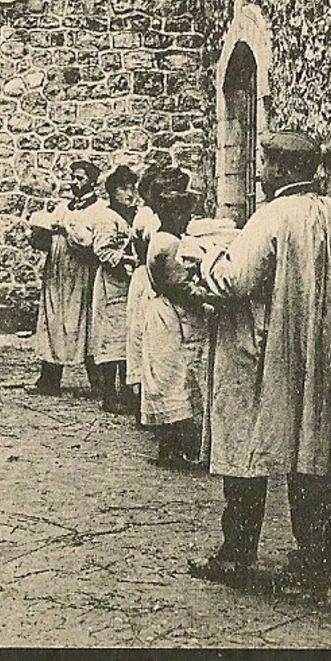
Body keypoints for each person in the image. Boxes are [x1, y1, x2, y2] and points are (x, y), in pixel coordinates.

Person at [190, 130, 331, 591]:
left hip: (260, 352)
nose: (260, 174)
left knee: (246, 447)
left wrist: (208, 261)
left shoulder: (272, 216)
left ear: (281, 170)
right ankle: (312, 558)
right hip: (313, 352)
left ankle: (236, 554)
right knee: (307, 449)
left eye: (265, 165)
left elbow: (236, 281)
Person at [141, 167, 214, 468]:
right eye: (183, 214)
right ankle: (177, 448)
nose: (186, 220)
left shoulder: (162, 238)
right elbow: (179, 286)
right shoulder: (168, 243)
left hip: (161, 310)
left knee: (168, 378)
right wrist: (207, 295)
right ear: (171, 214)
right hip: (169, 315)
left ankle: (170, 446)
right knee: (176, 379)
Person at [69, 164, 141, 412]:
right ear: (112, 192)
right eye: (123, 189)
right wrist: (129, 260)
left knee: (128, 338)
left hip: (129, 286)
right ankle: (109, 396)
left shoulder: (134, 215)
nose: (130, 194)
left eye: (132, 188)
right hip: (112, 285)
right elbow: (102, 250)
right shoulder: (106, 218)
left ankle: (128, 392)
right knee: (112, 340)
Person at [27, 159, 101, 395]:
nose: (74, 183)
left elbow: (92, 244)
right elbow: (46, 240)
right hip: (57, 272)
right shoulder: (62, 208)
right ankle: (49, 379)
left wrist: (68, 232)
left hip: (81, 272)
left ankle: (99, 382)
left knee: (83, 323)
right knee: (53, 320)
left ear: (92, 182)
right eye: (73, 178)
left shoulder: (98, 211)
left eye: (80, 178)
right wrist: (38, 235)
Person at [124, 163, 167, 422]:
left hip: (151, 274)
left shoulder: (156, 214)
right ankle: (140, 399)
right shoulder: (146, 216)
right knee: (140, 334)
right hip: (145, 276)